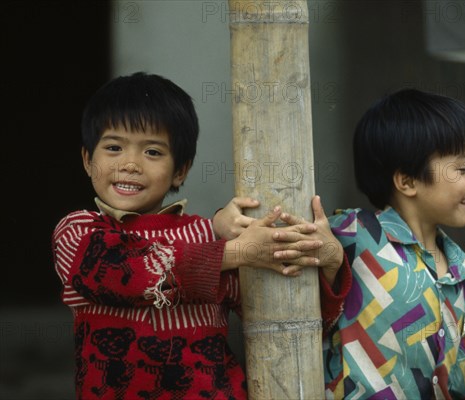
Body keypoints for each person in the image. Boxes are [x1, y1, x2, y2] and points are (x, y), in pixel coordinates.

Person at [217, 88, 465, 399]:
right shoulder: (352, 237)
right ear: (407, 181)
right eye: (462, 168)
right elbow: (262, 239)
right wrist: (223, 221)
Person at [51, 72, 351, 400]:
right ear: (87, 160)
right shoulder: (78, 232)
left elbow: (294, 323)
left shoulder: (214, 237)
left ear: (180, 169)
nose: (130, 164)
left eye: (152, 152)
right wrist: (233, 249)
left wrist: (330, 262)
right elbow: (127, 272)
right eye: (113, 147)